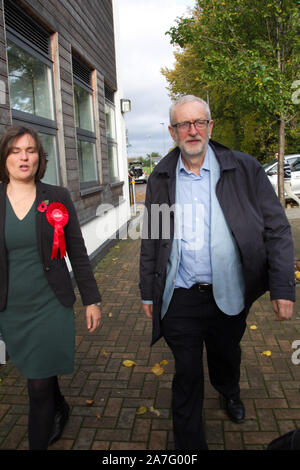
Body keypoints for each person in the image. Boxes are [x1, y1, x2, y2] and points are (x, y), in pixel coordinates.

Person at [139, 95, 295, 450]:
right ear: (172, 131)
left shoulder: (244, 168)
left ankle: (229, 391)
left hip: (230, 292)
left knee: (226, 354)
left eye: (199, 122)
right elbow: (153, 237)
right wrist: (148, 290)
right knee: (187, 371)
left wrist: (282, 287)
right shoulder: (162, 177)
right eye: (183, 124)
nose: (192, 130)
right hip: (180, 295)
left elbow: (277, 229)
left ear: (210, 126)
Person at [0, 126, 102, 450]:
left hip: (49, 304)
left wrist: (92, 299)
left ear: (39, 157)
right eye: (15, 151)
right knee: (36, 372)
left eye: (30, 150)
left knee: (38, 387)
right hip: (9, 308)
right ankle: (60, 404)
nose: (23, 157)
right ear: (4, 157)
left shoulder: (57, 197)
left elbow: (78, 251)